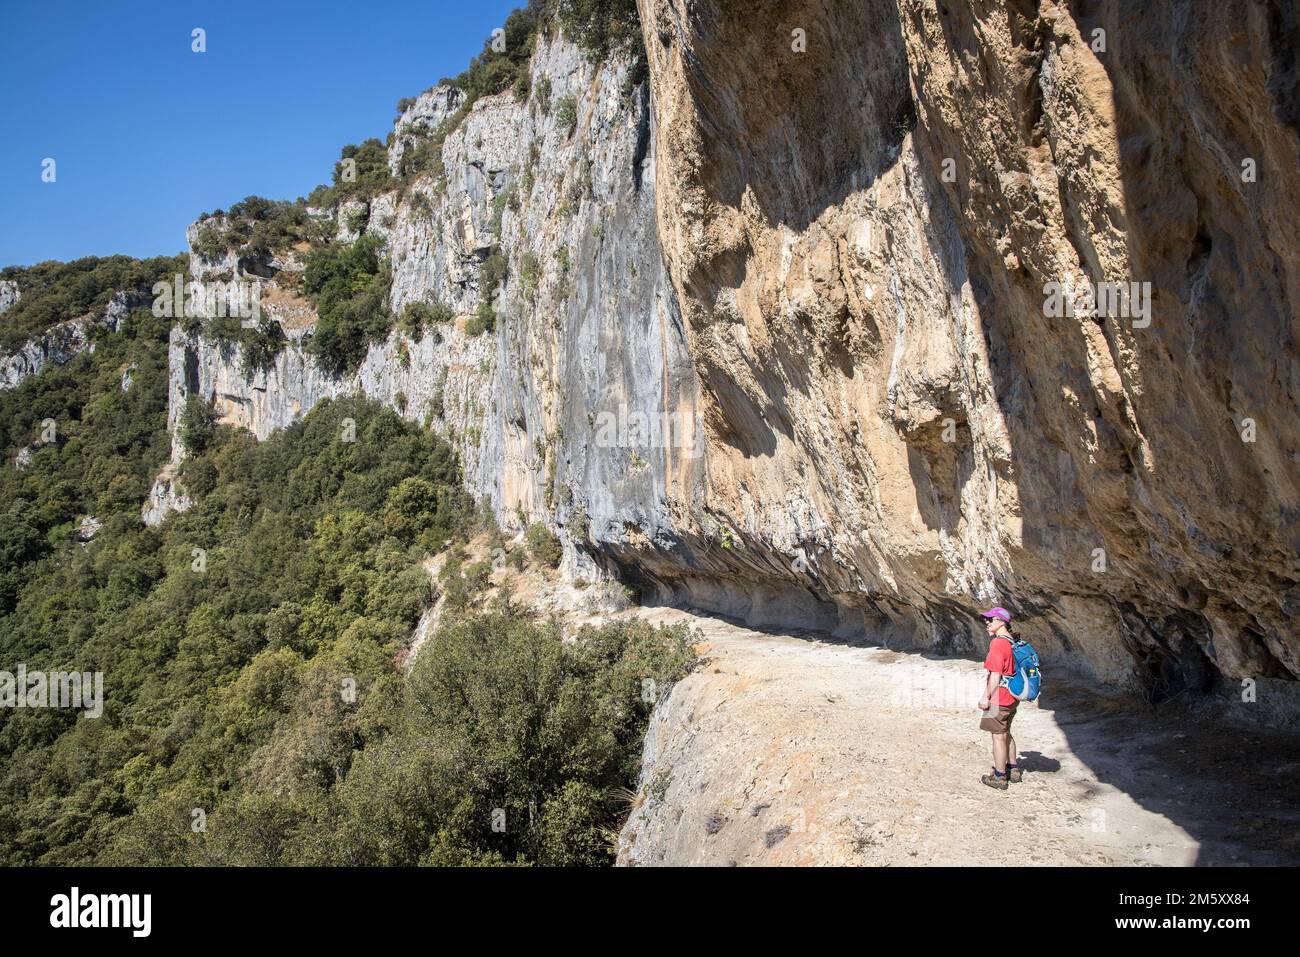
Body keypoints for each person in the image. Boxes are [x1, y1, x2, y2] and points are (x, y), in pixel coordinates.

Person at [977, 606, 1022, 790]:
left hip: (999, 697)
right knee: (1006, 731)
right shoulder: (1012, 640)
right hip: (1012, 695)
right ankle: (1014, 769)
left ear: (1001, 622)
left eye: (990, 620)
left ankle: (1000, 776)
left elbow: (995, 674)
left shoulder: (997, 643)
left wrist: (985, 697)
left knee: (998, 736)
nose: (987, 623)